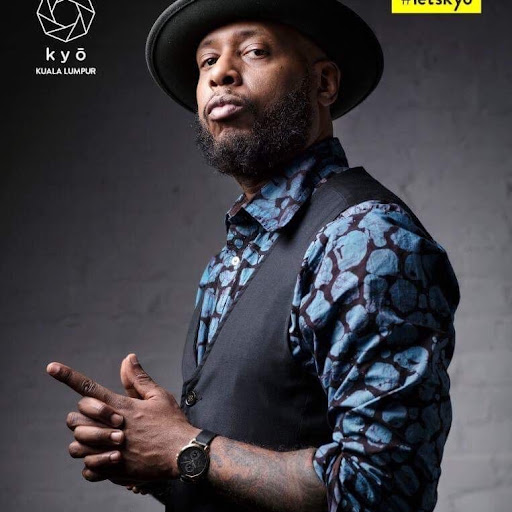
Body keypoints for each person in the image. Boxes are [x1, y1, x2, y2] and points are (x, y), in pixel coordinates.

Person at [47, 1, 461, 511]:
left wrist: (181, 447)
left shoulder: (366, 240)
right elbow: (228, 459)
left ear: (324, 83)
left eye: (254, 51)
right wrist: (148, 452)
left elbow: (385, 491)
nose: (219, 73)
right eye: (206, 61)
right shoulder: (237, 250)